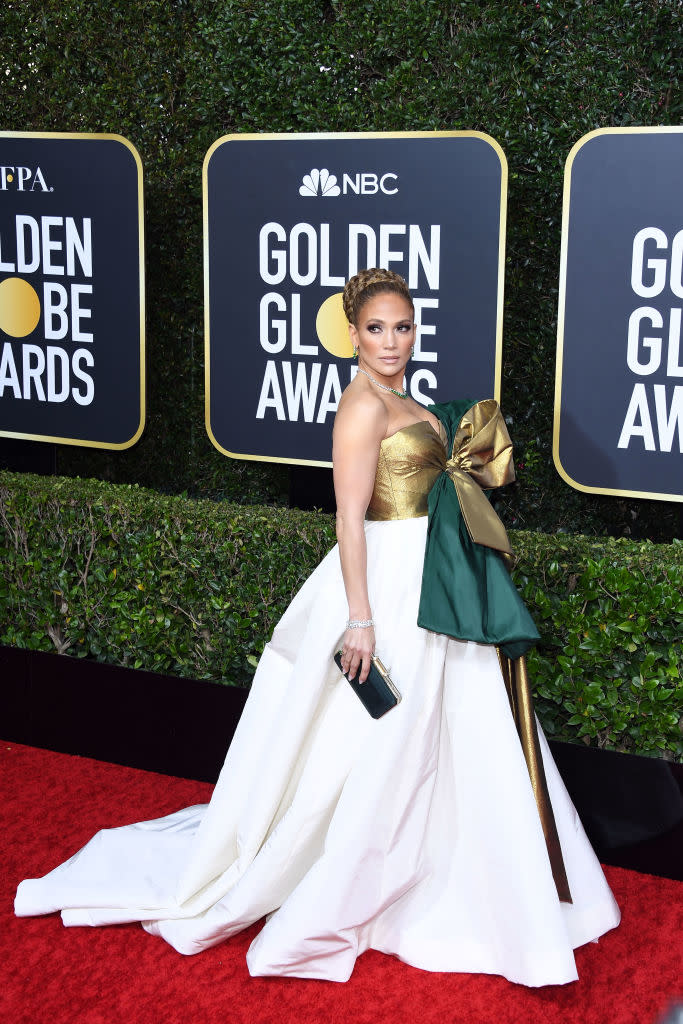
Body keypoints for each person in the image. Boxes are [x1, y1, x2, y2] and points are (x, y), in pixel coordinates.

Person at [15, 268, 620, 985]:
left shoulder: (399, 394)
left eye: (401, 327)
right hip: (390, 584)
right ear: (352, 334)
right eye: (375, 328)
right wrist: (360, 618)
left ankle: (458, 873)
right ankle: (370, 881)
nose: (389, 341)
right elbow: (348, 517)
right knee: (391, 737)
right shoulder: (361, 406)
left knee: (451, 731)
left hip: (435, 578)